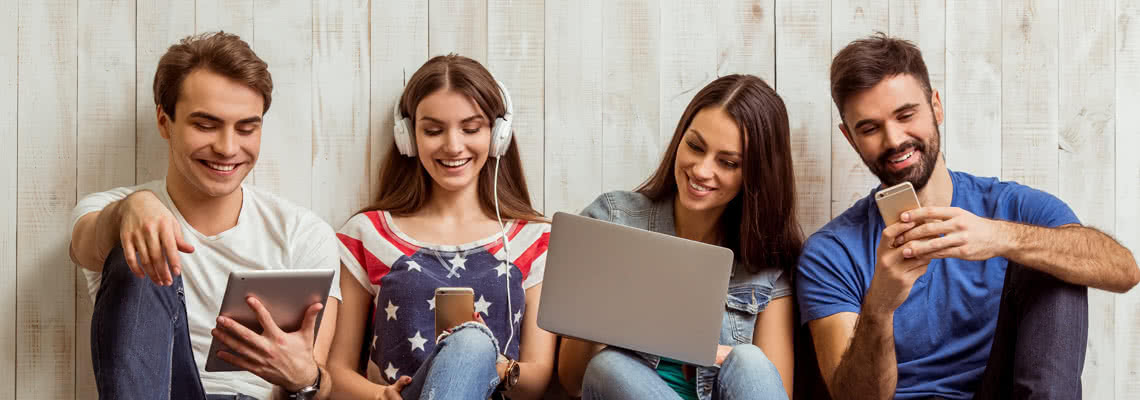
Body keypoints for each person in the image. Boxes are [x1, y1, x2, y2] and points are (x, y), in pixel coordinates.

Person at [797, 33, 1140, 400]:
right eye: (869, 128)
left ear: (936, 107)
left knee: (1051, 254)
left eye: (906, 115)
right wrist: (880, 305)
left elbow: (1124, 271)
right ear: (850, 138)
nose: (894, 139)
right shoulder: (830, 252)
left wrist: (1000, 238)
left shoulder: (1011, 208)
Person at [69, 32, 341, 399]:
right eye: (206, 125)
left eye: (247, 128)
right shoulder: (111, 211)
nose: (228, 148)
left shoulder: (303, 233)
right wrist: (130, 209)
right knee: (142, 243)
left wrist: (304, 378)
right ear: (165, 123)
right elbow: (87, 243)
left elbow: (316, 385)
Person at [325, 54, 556, 400]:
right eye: (433, 130)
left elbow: (537, 380)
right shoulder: (366, 234)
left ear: (498, 135)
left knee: (472, 341)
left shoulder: (533, 239)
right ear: (408, 137)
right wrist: (379, 396)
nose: (452, 145)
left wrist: (491, 361)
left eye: (471, 128)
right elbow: (334, 371)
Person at [557, 74, 800, 400]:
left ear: (755, 175)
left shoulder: (767, 261)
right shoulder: (613, 219)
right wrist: (597, 305)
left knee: (750, 360)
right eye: (695, 146)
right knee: (610, 366)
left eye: (727, 162)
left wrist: (711, 354)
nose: (701, 170)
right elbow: (574, 382)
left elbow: (770, 387)